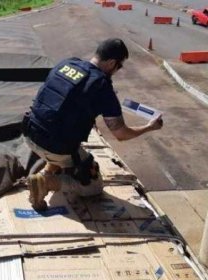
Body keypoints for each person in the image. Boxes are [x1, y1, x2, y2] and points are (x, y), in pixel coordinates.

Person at [22, 38, 163, 210]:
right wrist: (150, 126)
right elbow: (121, 135)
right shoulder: (102, 87)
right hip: (55, 147)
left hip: (30, 133)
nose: (118, 70)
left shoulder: (67, 63)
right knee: (93, 186)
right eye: (119, 66)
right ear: (112, 63)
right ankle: (46, 182)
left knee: (63, 136)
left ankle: (47, 171)